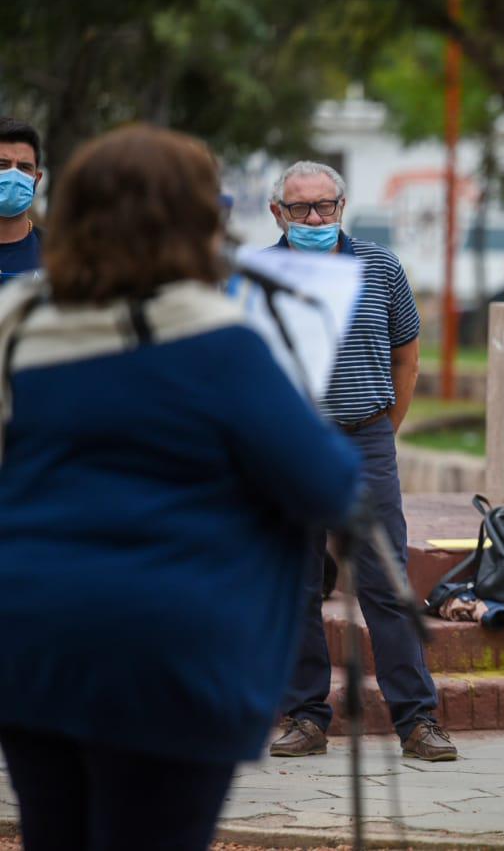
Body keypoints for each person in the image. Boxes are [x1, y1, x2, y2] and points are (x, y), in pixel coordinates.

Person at [0, 125, 363, 851]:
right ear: (199, 219)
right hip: (174, 650)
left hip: (30, 641)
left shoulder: (19, 323)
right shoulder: (221, 341)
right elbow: (327, 484)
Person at [267, 160, 456, 762]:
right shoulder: (260, 275)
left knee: (386, 582)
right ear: (279, 214)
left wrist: (382, 430)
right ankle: (305, 716)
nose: (316, 218)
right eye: (302, 210)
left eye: (326, 206)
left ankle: (418, 720)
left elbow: (408, 356)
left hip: (365, 439)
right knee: (295, 584)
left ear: (343, 206)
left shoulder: (381, 266)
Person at [0, 117, 43, 283]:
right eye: (2, 164)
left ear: (36, 179)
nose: (13, 176)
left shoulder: (56, 254)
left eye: (24, 167)